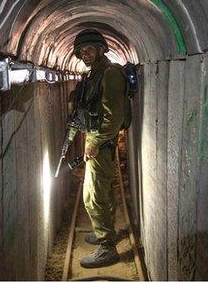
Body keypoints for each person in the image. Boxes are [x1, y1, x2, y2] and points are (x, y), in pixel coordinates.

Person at [72, 29, 129, 268]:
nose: (86, 54)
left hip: (101, 143)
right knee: (101, 191)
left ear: (100, 49)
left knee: (93, 197)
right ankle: (106, 231)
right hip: (96, 140)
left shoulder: (110, 74)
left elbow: (114, 117)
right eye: (82, 51)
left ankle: (107, 247)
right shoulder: (95, 74)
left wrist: (94, 142)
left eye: (90, 50)